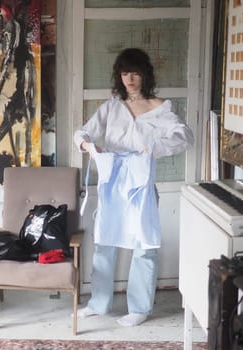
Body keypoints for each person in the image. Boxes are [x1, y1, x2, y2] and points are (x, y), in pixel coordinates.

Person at [73, 48, 194, 327]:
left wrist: (153, 149)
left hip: (141, 184)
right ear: (119, 75)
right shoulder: (112, 106)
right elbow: (83, 132)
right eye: (125, 72)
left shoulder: (160, 107)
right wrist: (90, 147)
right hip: (112, 183)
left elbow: (184, 136)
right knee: (105, 241)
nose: (130, 78)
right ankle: (99, 303)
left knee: (144, 244)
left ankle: (140, 307)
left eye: (135, 72)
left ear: (145, 74)